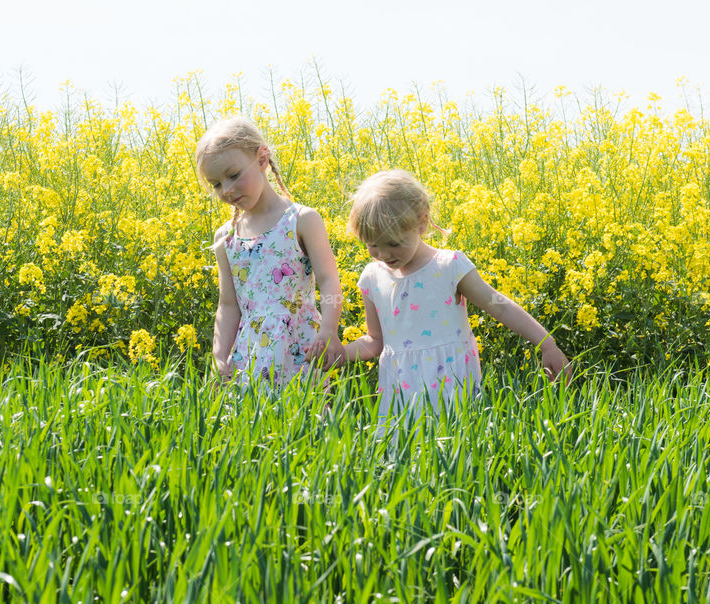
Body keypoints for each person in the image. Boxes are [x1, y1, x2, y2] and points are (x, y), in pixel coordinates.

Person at [341, 170, 571, 439]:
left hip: (449, 380)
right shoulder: (372, 277)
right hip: (399, 387)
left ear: (422, 222)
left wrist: (547, 344)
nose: (383, 255)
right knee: (399, 459)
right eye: (372, 245)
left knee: (453, 454)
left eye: (394, 243)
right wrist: (339, 355)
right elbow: (375, 340)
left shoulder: (448, 266)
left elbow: (499, 305)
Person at [197, 116, 344, 388]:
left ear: (262, 159)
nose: (226, 190)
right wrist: (219, 356)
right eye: (216, 184)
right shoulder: (225, 238)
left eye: (234, 175)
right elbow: (229, 304)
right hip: (250, 352)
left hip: (301, 348)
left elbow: (328, 281)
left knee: (308, 423)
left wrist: (329, 331)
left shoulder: (302, 220)